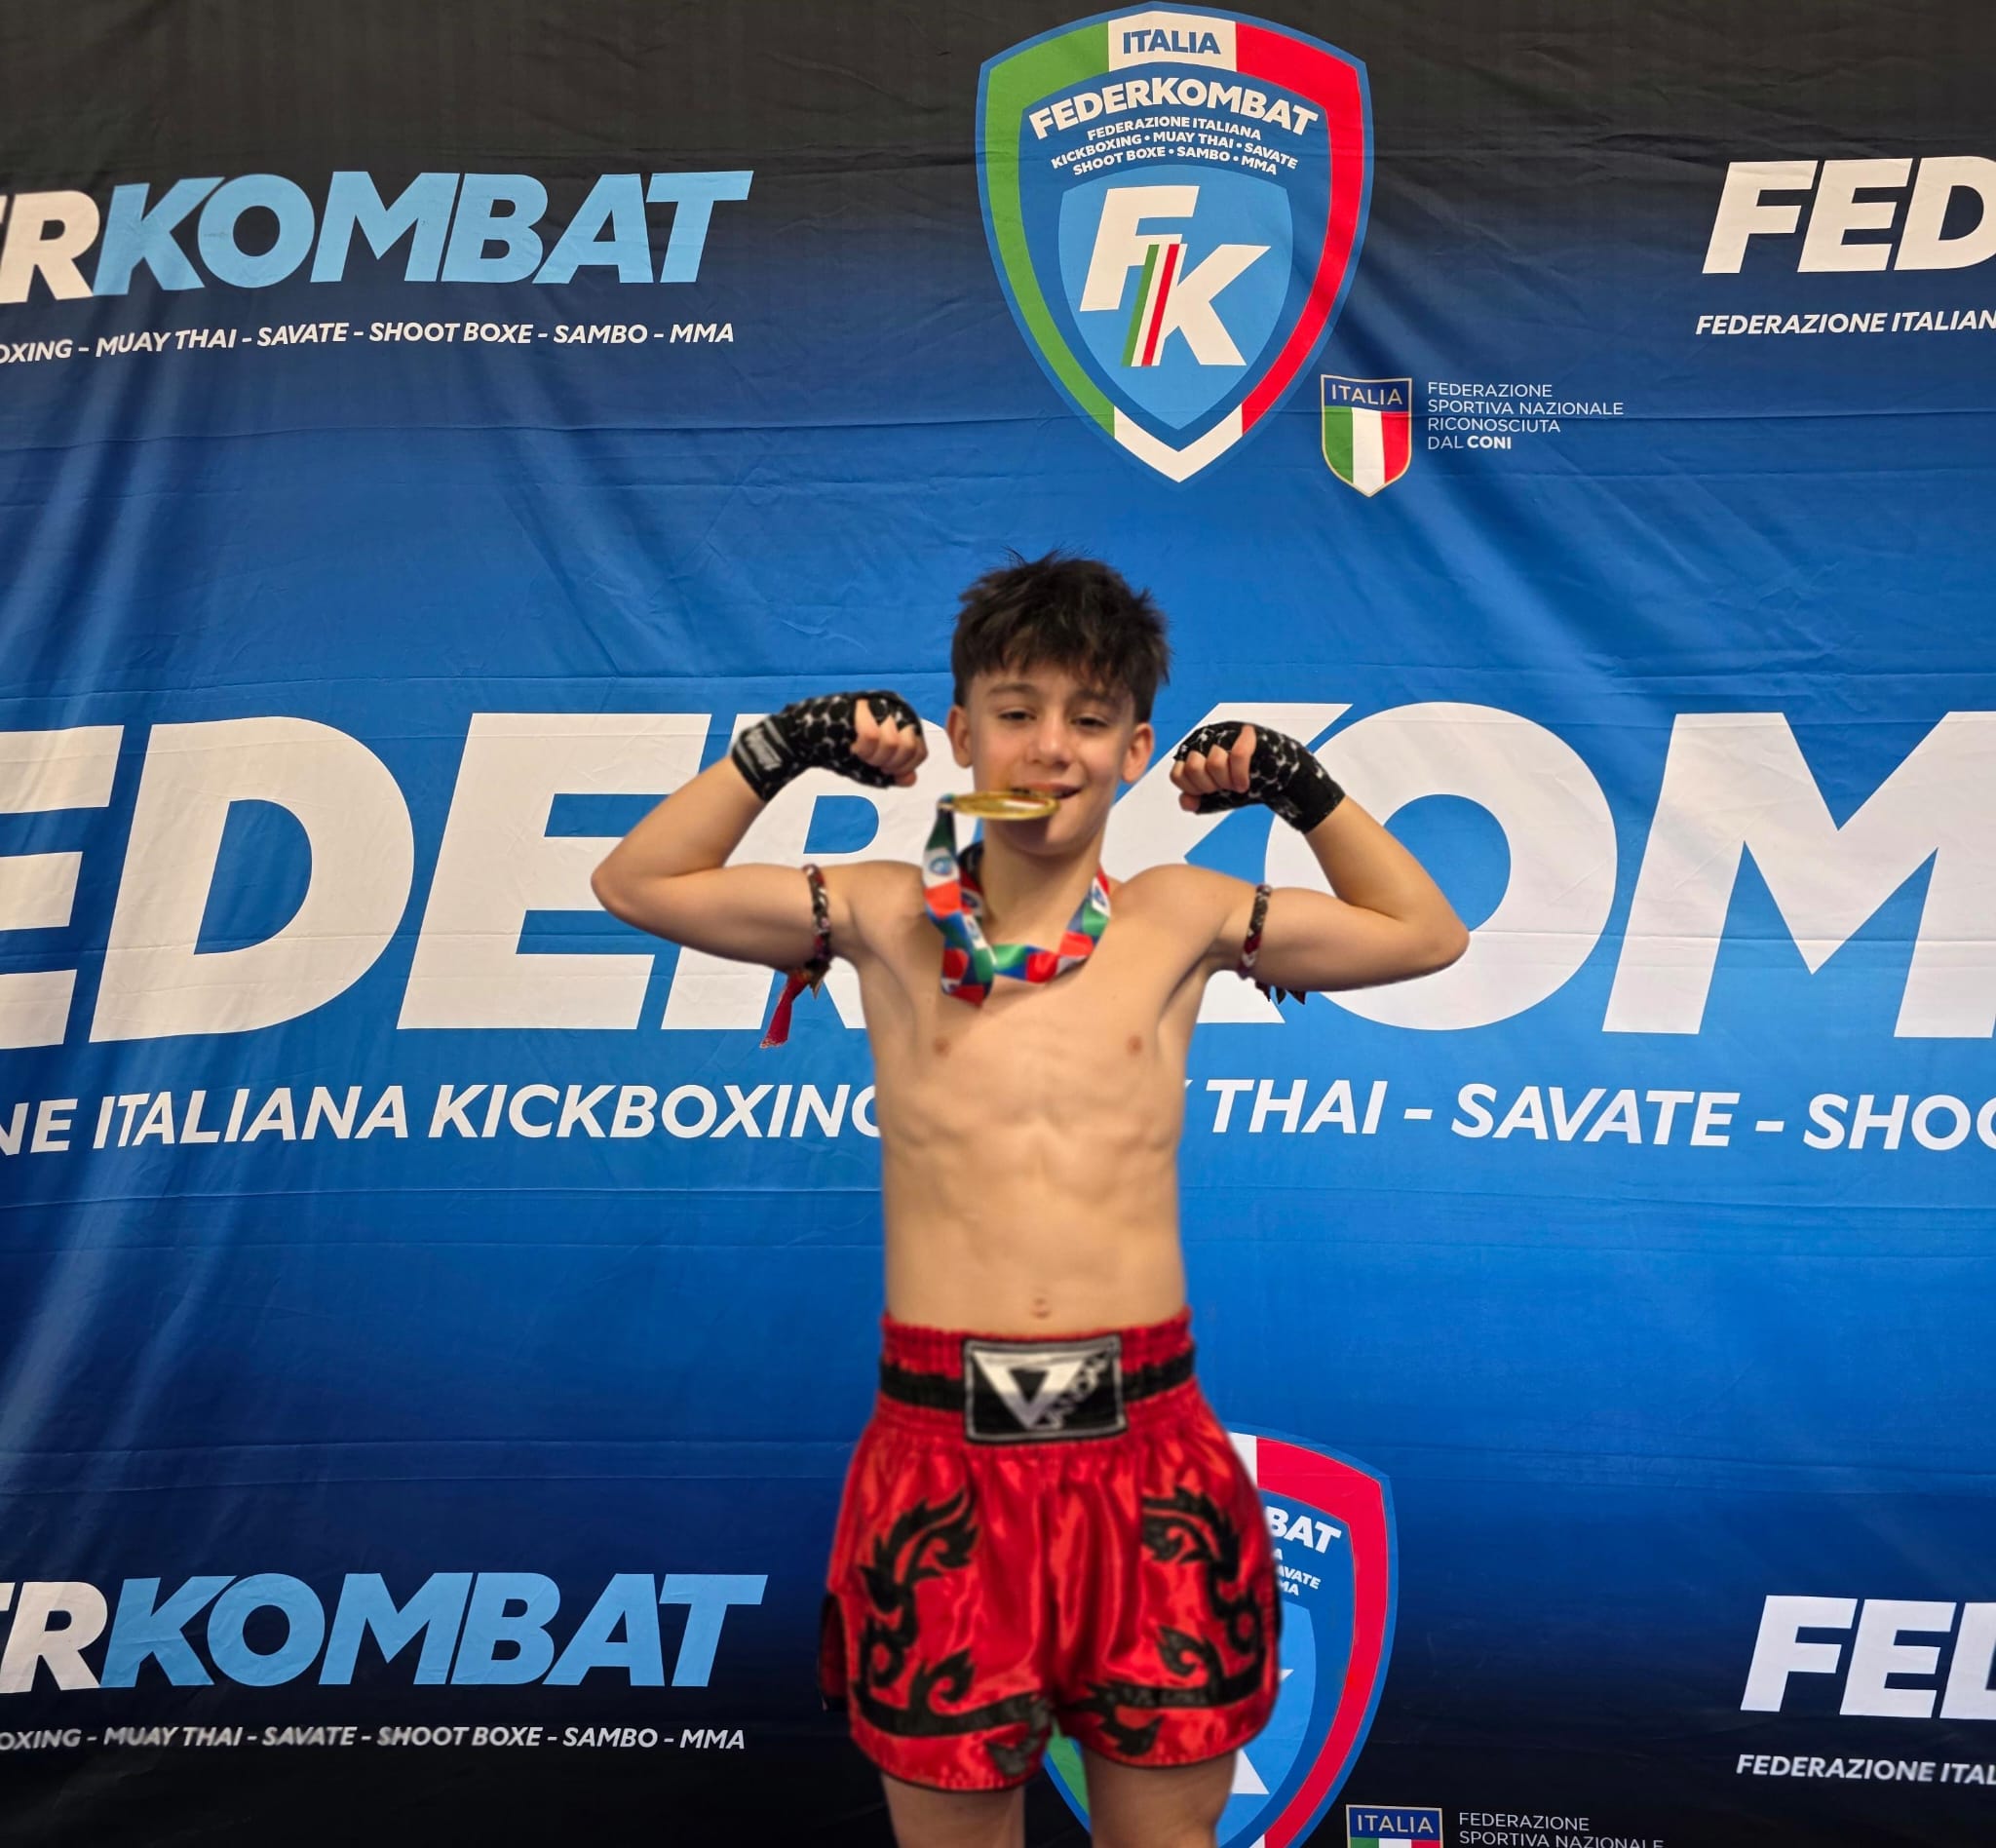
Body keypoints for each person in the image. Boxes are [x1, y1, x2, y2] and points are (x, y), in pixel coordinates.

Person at [591, 555, 1467, 1848]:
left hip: (1147, 1451)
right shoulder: (883, 911)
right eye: (1016, 712)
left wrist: (1300, 788)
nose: (1051, 748)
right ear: (960, 734)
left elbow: (1426, 932)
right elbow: (636, 883)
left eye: (1090, 719)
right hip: (942, 1455)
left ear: (1136, 751)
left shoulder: (1182, 915)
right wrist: (782, 751)